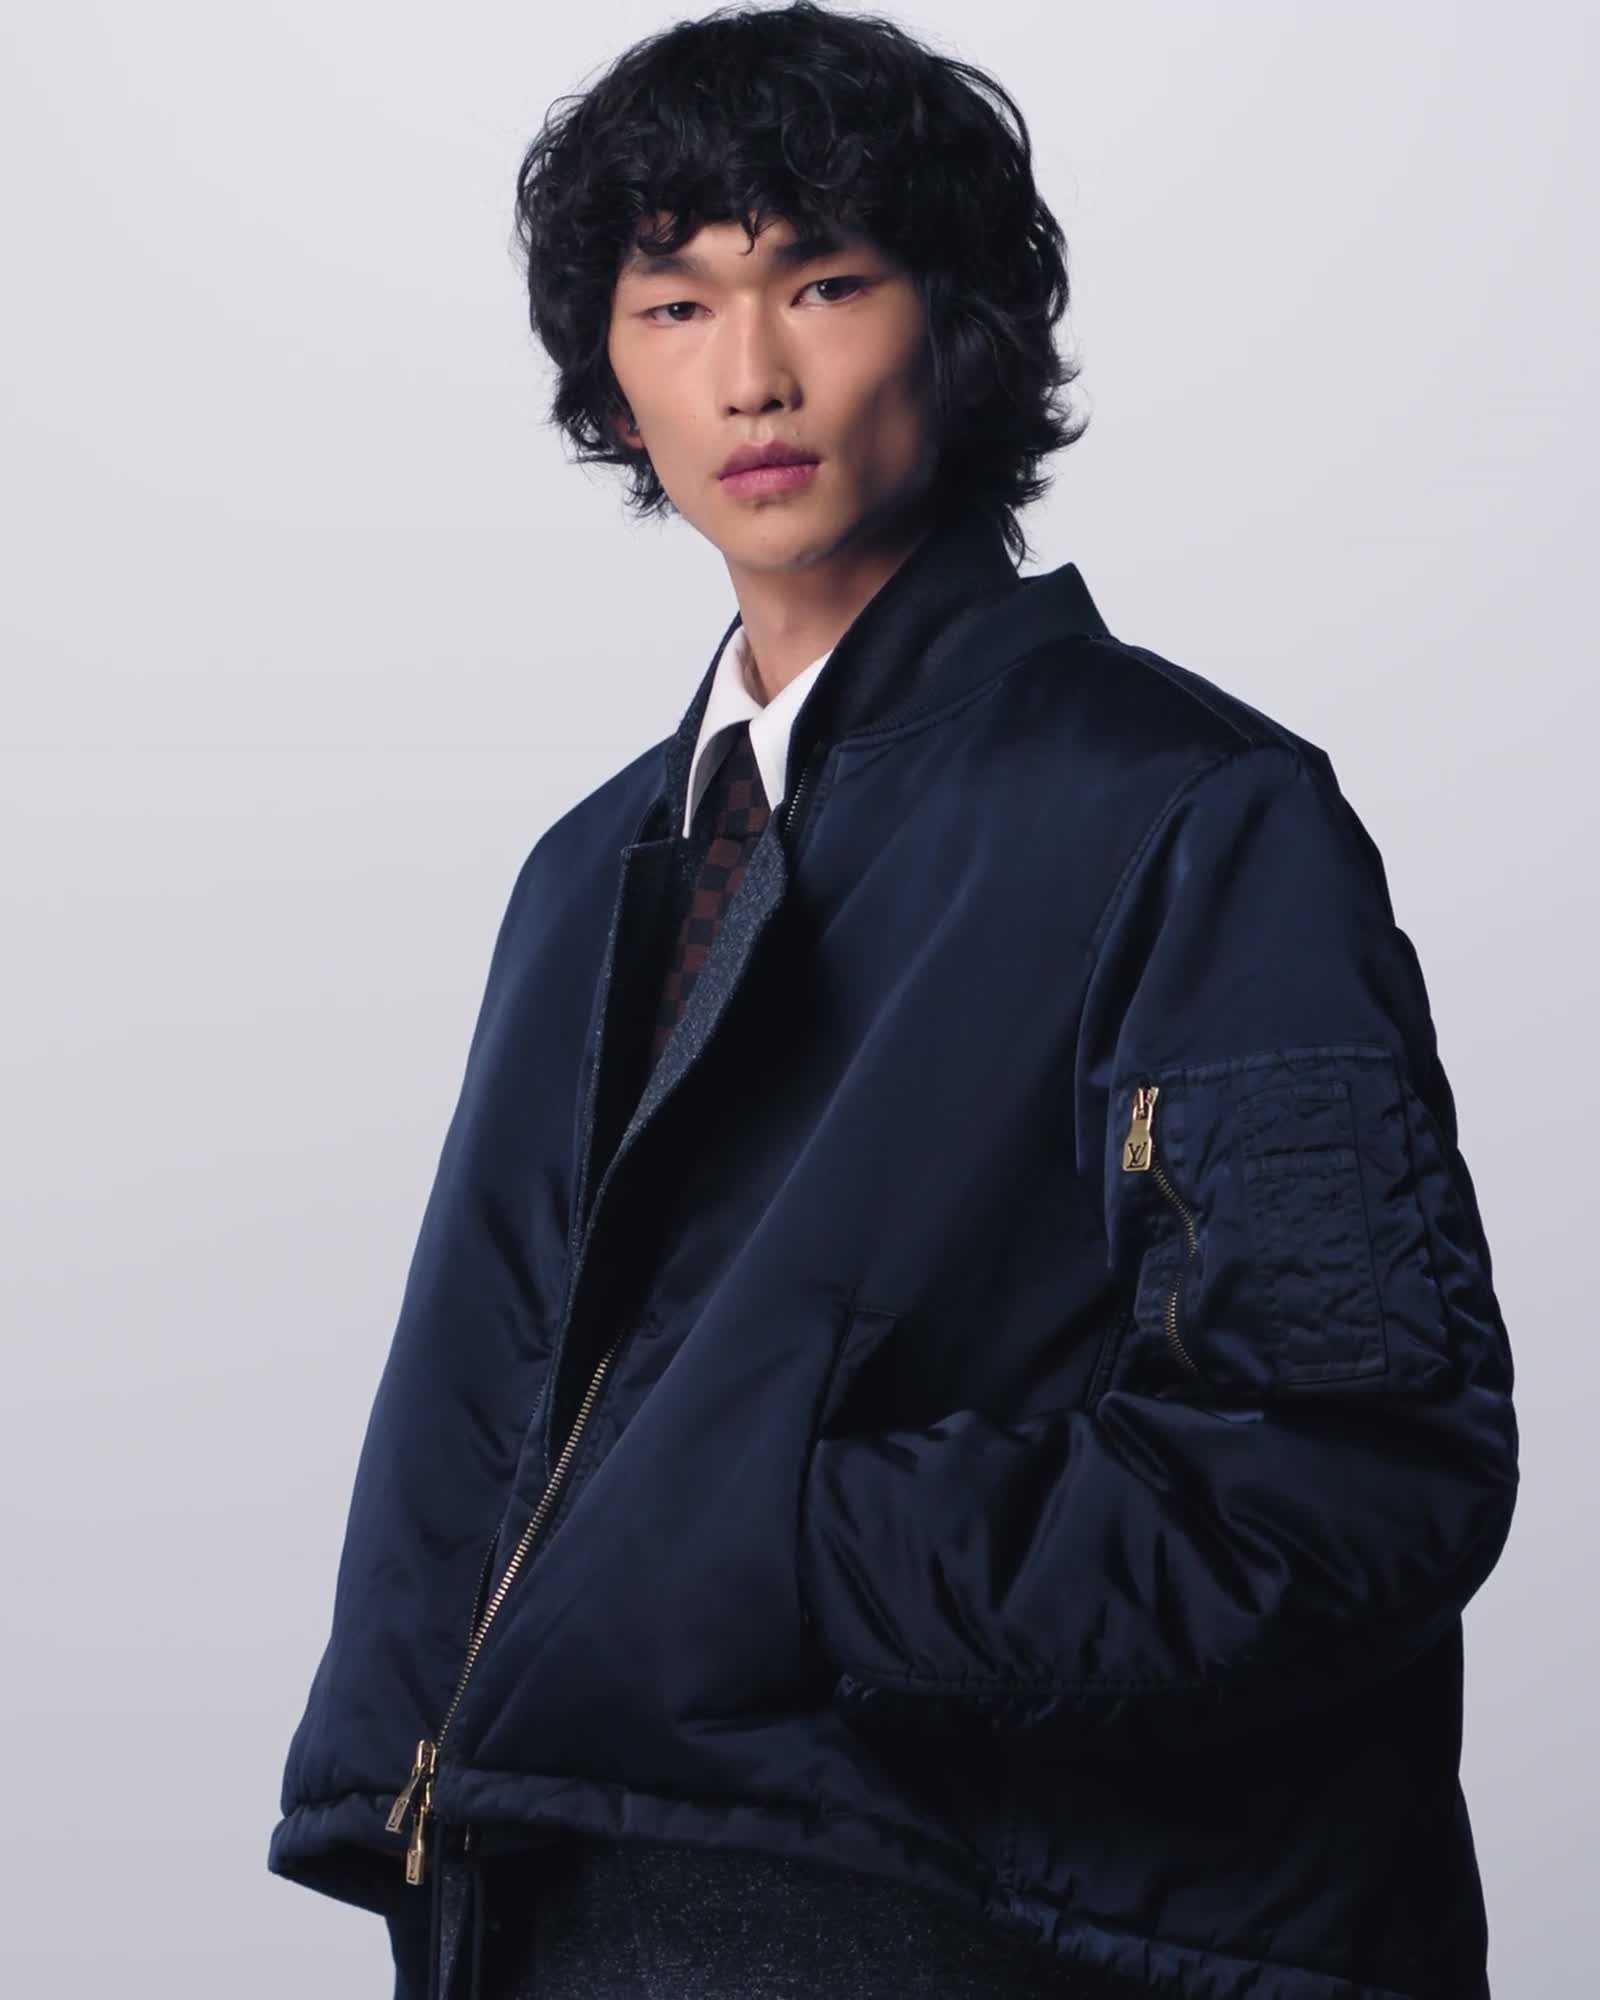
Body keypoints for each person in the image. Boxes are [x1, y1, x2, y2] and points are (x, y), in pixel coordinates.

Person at [267, 6, 1519, 1997]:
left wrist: (776, 1547)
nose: (750, 374)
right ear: (611, 376)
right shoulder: (589, 874)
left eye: (824, 285)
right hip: (558, 1912)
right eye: (675, 304)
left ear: (954, 328)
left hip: (947, 1914)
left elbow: (1346, 1473)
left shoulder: (1188, 816)